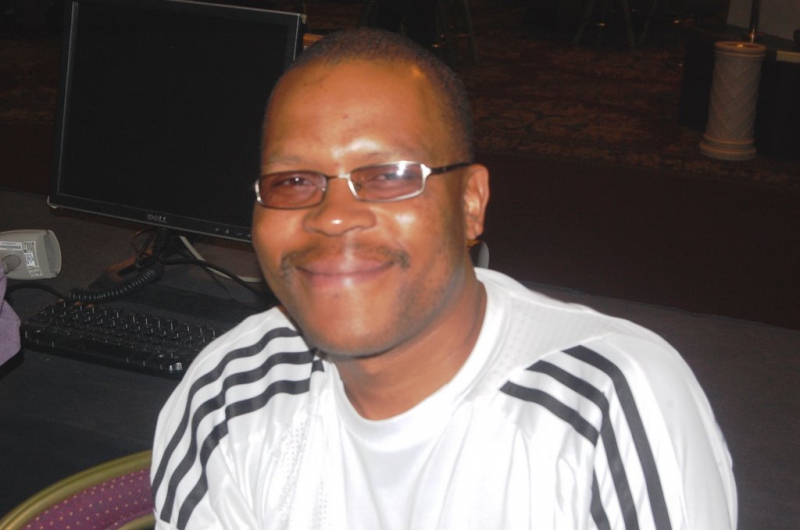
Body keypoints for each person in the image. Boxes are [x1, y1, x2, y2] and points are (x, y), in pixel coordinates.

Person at [151, 28, 737, 529]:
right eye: (294, 181)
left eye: (388, 175)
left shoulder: (606, 409)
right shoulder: (229, 395)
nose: (332, 216)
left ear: (470, 204)